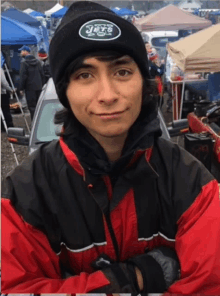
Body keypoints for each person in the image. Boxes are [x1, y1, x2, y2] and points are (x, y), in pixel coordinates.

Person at [1, 1, 220, 294]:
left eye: (122, 72)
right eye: (84, 75)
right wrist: (133, 277)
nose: (107, 95)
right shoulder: (26, 191)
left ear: (144, 82)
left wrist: (72, 284)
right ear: (66, 91)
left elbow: (211, 283)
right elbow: (16, 288)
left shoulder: (191, 181)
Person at [18, 45, 44, 120]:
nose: (20, 53)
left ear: (26, 52)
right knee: (39, 105)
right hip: (39, 87)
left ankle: (34, 122)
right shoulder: (38, 62)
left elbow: (23, 77)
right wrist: (42, 85)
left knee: (32, 107)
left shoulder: (24, 63)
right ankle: (41, 120)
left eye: (22, 51)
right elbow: (42, 75)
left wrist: (21, 88)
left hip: (29, 89)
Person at [1, 67, 14, 131]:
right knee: (5, 110)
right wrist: (10, 89)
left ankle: (2, 126)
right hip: (2, 93)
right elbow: (4, 82)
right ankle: (8, 125)